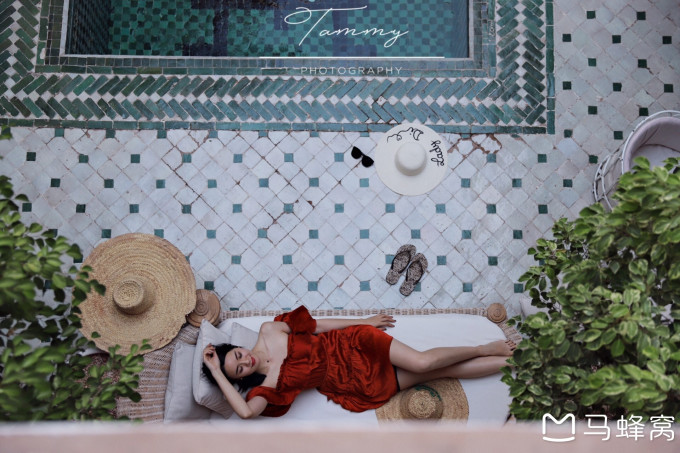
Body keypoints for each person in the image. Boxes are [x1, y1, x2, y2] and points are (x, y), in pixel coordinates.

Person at [202, 306, 515, 418]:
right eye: (239, 369)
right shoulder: (269, 387)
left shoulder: (270, 330)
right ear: (240, 378)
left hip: (354, 345)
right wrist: (216, 371)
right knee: (444, 373)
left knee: (422, 363)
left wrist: (364, 320)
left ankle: (484, 347)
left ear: (238, 347)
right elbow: (245, 413)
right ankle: (508, 364)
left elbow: (318, 326)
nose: (245, 361)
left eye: (238, 355)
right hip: (358, 382)